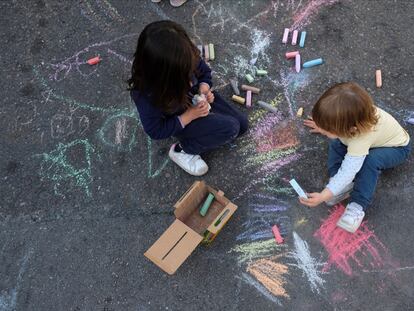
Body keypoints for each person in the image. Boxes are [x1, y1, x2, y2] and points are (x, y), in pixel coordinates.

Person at [128, 20, 248, 176]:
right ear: (162, 76)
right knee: (231, 128)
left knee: (242, 125)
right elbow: (155, 131)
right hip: (181, 118)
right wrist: (189, 116)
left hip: (198, 102)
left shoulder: (185, 58)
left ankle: (207, 121)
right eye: (182, 78)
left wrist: (204, 89)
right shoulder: (147, 95)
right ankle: (182, 150)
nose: (190, 81)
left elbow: (204, 73)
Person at [300, 82, 411, 233]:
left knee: (369, 161)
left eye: (327, 127)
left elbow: (349, 170)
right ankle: (340, 186)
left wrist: (324, 195)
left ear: (349, 129)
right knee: (336, 143)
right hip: (368, 141)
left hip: (396, 149)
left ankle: (357, 206)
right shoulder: (354, 118)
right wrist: (324, 124)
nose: (323, 130)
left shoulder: (361, 139)